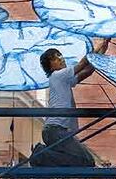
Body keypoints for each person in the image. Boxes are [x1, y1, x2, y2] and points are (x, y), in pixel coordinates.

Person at [30, 39, 110, 167]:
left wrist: (101, 52)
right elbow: (82, 64)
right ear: (50, 66)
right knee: (86, 161)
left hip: (57, 131)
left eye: (60, 56)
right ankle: (40, 155)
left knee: (87, 161)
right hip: (55, 130)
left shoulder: (63, 79)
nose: (61, 59)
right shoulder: (57, 75)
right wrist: (97, 48)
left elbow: (87, 71)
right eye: (55, 58)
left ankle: (42, 155)